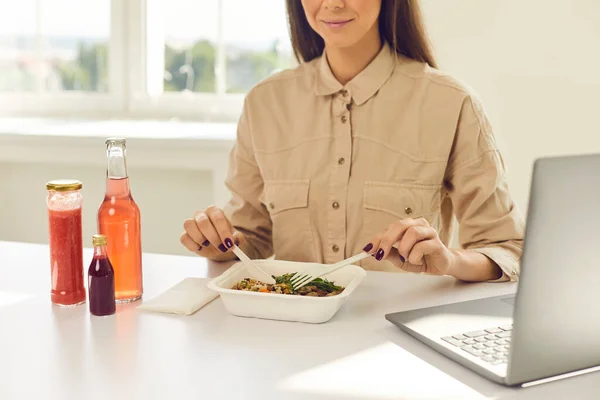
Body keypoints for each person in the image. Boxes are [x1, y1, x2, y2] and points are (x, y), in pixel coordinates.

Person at [180, 0, 524, 282]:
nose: (332, 3)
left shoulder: (450, 103)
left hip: (399, 340)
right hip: (286, 334)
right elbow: (249, 236)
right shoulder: (265, 102)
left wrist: (448, 260)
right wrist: (220, 242)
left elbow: (505, 248)